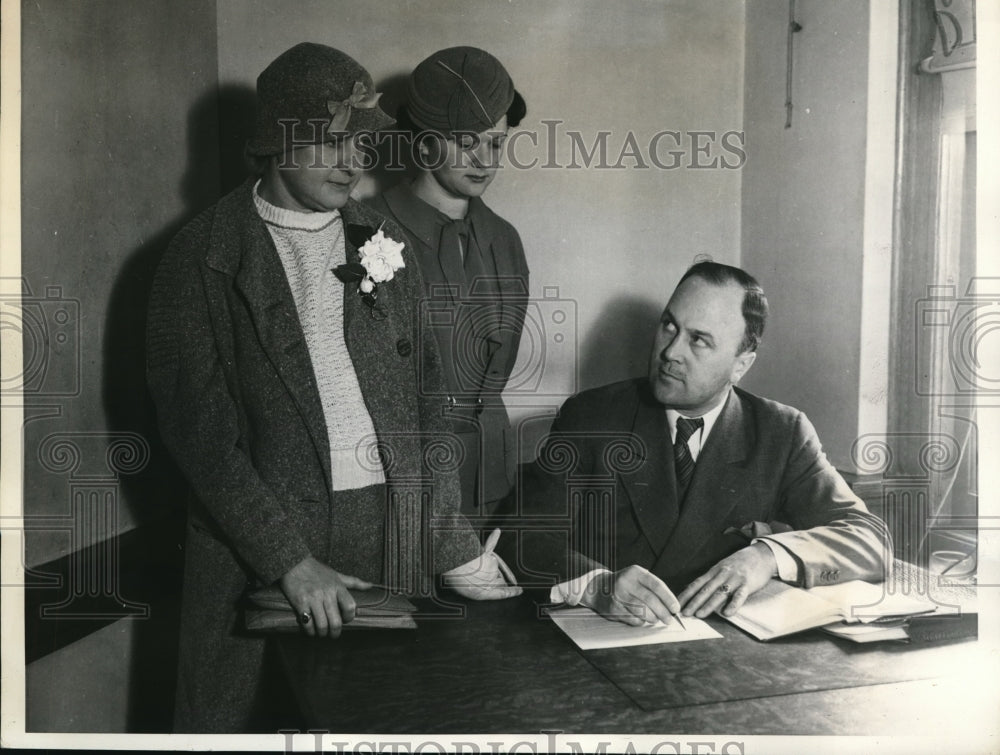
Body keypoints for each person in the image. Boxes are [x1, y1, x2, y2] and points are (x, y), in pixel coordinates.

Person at [147, 42, 518, 733]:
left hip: (389, 543)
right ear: (275, 143)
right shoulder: (199, 256)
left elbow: (426, 410)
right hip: (260, 559)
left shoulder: (379, 240)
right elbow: (201, 439)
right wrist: (288, 561)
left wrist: (451, 544)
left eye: (363, 145)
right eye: (329, 143)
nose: (354, 163)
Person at [518, 261, 891, 625]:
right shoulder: (593, 416)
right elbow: (520, 535)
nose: (670, 352)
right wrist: (596, 586)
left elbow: (869, 539)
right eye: (669, 326)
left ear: (740, 365)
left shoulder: (782, 432)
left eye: (698, 340)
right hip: (601, 645)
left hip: (725, 657)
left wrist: (765, 557)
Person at [371, 46, 529, 520]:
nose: (485, 159)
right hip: (403, 482)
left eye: (496, 143)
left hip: (490, 479)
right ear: (423, 146)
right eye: (466, 141)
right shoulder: (369, 232)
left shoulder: (505, 239)